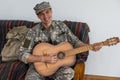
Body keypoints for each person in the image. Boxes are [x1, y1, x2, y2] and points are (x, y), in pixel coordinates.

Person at [19, 1, 102, 80]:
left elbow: (75, 42)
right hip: (39, 68)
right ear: (38, 16)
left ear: (51, 11)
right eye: (41, 14)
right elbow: (22, 54)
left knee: (69, 73)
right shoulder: (32, 32)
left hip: (59, 67)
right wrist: (43, 59)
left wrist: (90, 47)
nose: (45, 16)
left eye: (47, 12)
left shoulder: (62, 26)